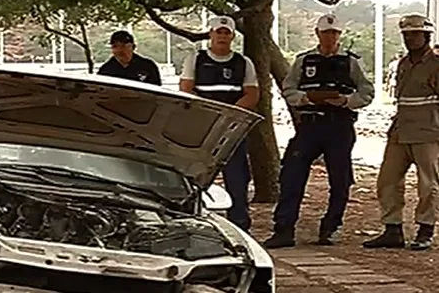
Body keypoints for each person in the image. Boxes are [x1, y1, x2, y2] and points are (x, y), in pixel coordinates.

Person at [263, 14, 374, 248]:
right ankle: (283, 228)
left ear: (339, 35)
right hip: (310, 125)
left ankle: (331, 228)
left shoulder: (351, 62)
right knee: (292, 174)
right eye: (326, 32)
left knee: (340, 179)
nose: (330, 37)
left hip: (339, 125)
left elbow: (366, 92)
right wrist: (306, 98)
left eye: (334, 33)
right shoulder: (304, 61)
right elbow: (289, 89)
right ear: (317, 34)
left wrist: (345, 100)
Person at [363, 14, 439, 251]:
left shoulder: (436, 64)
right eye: (406, 34)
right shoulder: (404, 64)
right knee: (387, 180)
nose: (410, 38)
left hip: (428, 131)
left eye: (415, 34)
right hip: (400, 130)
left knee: (428, 184)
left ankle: (425, 230)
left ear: (426, 36)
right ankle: (392, 228)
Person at [179, 15, 259, 232]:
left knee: (237, 177)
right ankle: (192, 222)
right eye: (218, 32)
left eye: (226, 33)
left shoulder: (243, 63)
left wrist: (229, 115)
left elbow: (251, 95)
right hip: (203, 127)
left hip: (232, 129)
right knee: (195, 176)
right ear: (211, 34)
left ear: (232, 36)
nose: (222, 36)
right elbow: (186, 90)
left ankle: (240, 224)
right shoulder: (195, 59)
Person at [97, 30, 162, 86]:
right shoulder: (106, 70)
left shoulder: (147, 66)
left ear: (133, 47)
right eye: (115, 46)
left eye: (123, 46)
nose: (119, 50)